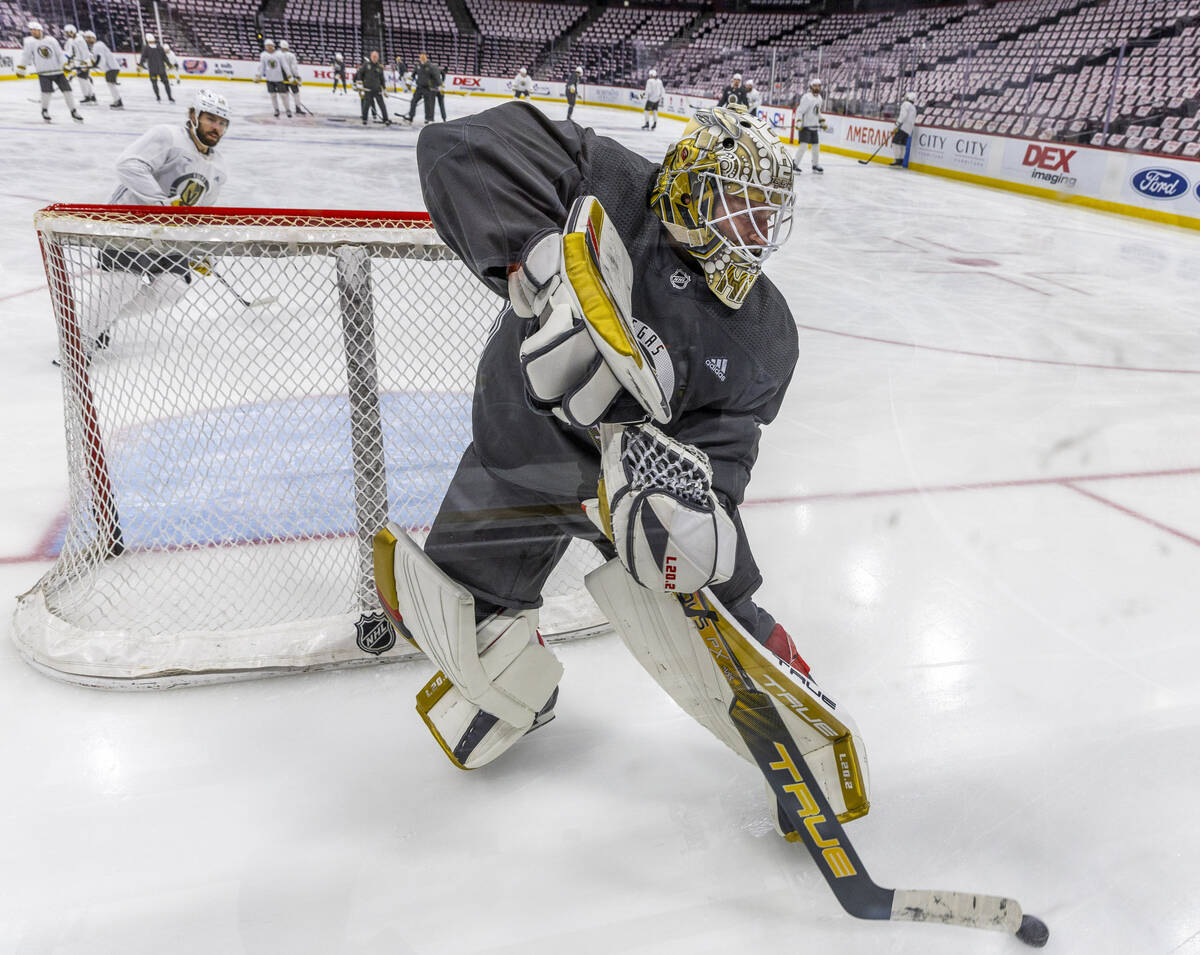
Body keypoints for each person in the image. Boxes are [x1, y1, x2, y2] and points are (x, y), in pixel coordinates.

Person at [379, 101, 868, 843]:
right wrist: (537, 264)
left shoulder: (768, 331)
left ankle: (798, 725)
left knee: (719, 613)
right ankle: (518, 688)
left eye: (767, 215)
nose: (757, 234)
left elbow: (726, 449)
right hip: (520, 455)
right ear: (695, 189)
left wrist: (699, 506)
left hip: (630, 490)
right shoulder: (604, 179)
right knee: (448, 614)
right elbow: (460, 146)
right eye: (741, 209)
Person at [74, 90, 232, 361]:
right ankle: (79, 343)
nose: (216, 127)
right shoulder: (168, 136)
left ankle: (102, 316)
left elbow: (202, 212)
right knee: (122, 285)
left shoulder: (217, 168)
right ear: (194, 115)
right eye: (210, 119)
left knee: (172, 289)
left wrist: (202, 249)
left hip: (168, 234)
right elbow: (128, 165)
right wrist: (160, 204)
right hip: (129, 224)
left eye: (221, 123)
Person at [17, 21, 83, 123]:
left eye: (35, 30)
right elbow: (26, 56)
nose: (33, 32)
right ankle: (44, 111)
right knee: (46, 93)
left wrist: (65, 64)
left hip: (58, 72)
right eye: (31, 30)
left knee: (68, 91)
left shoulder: (51, 40)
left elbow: (59, 54)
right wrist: (21, 68)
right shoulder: (29, 42)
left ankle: (73, 111)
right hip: (44, 73)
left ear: (40, 30)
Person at [84, 30, 123, 108]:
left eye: (89, 38)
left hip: (111, 68)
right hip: (111, 67)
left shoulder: (98, 45)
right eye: (86, 38)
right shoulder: (96, 46)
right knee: (111, 84)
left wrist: (95, 65)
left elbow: (100, 57)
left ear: (93, 38)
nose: (87, 40)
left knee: (111, 85)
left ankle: (118, 101)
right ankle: (117, 100)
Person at [795, 77, 826, 173]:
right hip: (805, 127)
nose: (817, 88)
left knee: (816, 146)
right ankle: (795, 164)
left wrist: (822, 121)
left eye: (819, 86)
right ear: (811, 87)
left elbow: (817, 112)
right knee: (803, 146)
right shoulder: (807, 98)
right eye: (815, 86)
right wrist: (799, 122)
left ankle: (815, 165)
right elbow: (800, 111)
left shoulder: (820, 98)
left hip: (814, 126)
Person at [255, 39, 292, 118]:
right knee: (273, 96)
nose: (268, 47)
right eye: (267, 46)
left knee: (283, 95)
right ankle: (276, 109)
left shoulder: (279, 54)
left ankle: (288, 109)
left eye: (270, 46)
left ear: (273, 46)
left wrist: (289, 76)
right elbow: (262, 67)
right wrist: (259, 76)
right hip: (269, 79)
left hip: (279, 79)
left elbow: (285, 65)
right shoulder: (263, 55)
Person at [62, 24, 96, 103]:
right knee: (85, 80)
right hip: (79, 63)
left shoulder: (79, 40)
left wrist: (85, 63)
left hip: (83, 63)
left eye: (67, 32)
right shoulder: (74, 40)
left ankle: (88, 97)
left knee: (82, 80)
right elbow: (71, 53)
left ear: (72, 31)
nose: (66, 34)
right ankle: (91, 96)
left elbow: (84, 53)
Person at [137, 32, 174, 103]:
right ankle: (170, 98)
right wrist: (169, 65)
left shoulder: (146, 48)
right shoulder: (160, 47)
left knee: (154, 83)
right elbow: (165, 57)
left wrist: (140, 65)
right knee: (166, 83)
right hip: (161, 69)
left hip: (152, 70)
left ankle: (158, 97)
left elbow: (143, 57)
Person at [357, 50, 391, 126]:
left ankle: (386, 120)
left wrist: (384, 89)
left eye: (376, 57)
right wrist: (360, 83)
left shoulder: (380, 67)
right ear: (371, 57)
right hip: (368, 89)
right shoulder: (366, 65)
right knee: (366, 105)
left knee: (382, 105)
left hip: (377, 89)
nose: (375, 58)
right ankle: (364, 119)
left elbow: (382, 79)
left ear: (378, 58)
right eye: (373, 56)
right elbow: (360, 74)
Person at [405, 51, 438, 124]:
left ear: (426, 57)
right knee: (413, 101)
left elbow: (435, 77)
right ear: (419, 57)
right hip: (419, 88)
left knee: (427, 104)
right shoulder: (417, 66)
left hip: (427, 88)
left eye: (424, 56)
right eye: (421, 56)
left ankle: (428, 118)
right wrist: (409, 84)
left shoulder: (430, 66)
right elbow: (413, 75)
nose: (422, 57)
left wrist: (434, 86)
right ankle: (411, 117)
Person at [278, 40, 306, 115]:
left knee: (285, 94)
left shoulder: (278, 55)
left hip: (281, 78)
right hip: (291, 77)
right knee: (296, 93)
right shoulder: (291, 55)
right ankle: (298, 108)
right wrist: (297, 76)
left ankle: (288, 109)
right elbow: (294, 67)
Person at [892, 91, 918, 167]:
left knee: (895, 143)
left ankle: (897, 159)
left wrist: (897, 124)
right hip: (909, 130)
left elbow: (903, 115)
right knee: (902, 144)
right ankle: (900, 160)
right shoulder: (914, 107)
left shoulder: (905, 104)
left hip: (902, 127)